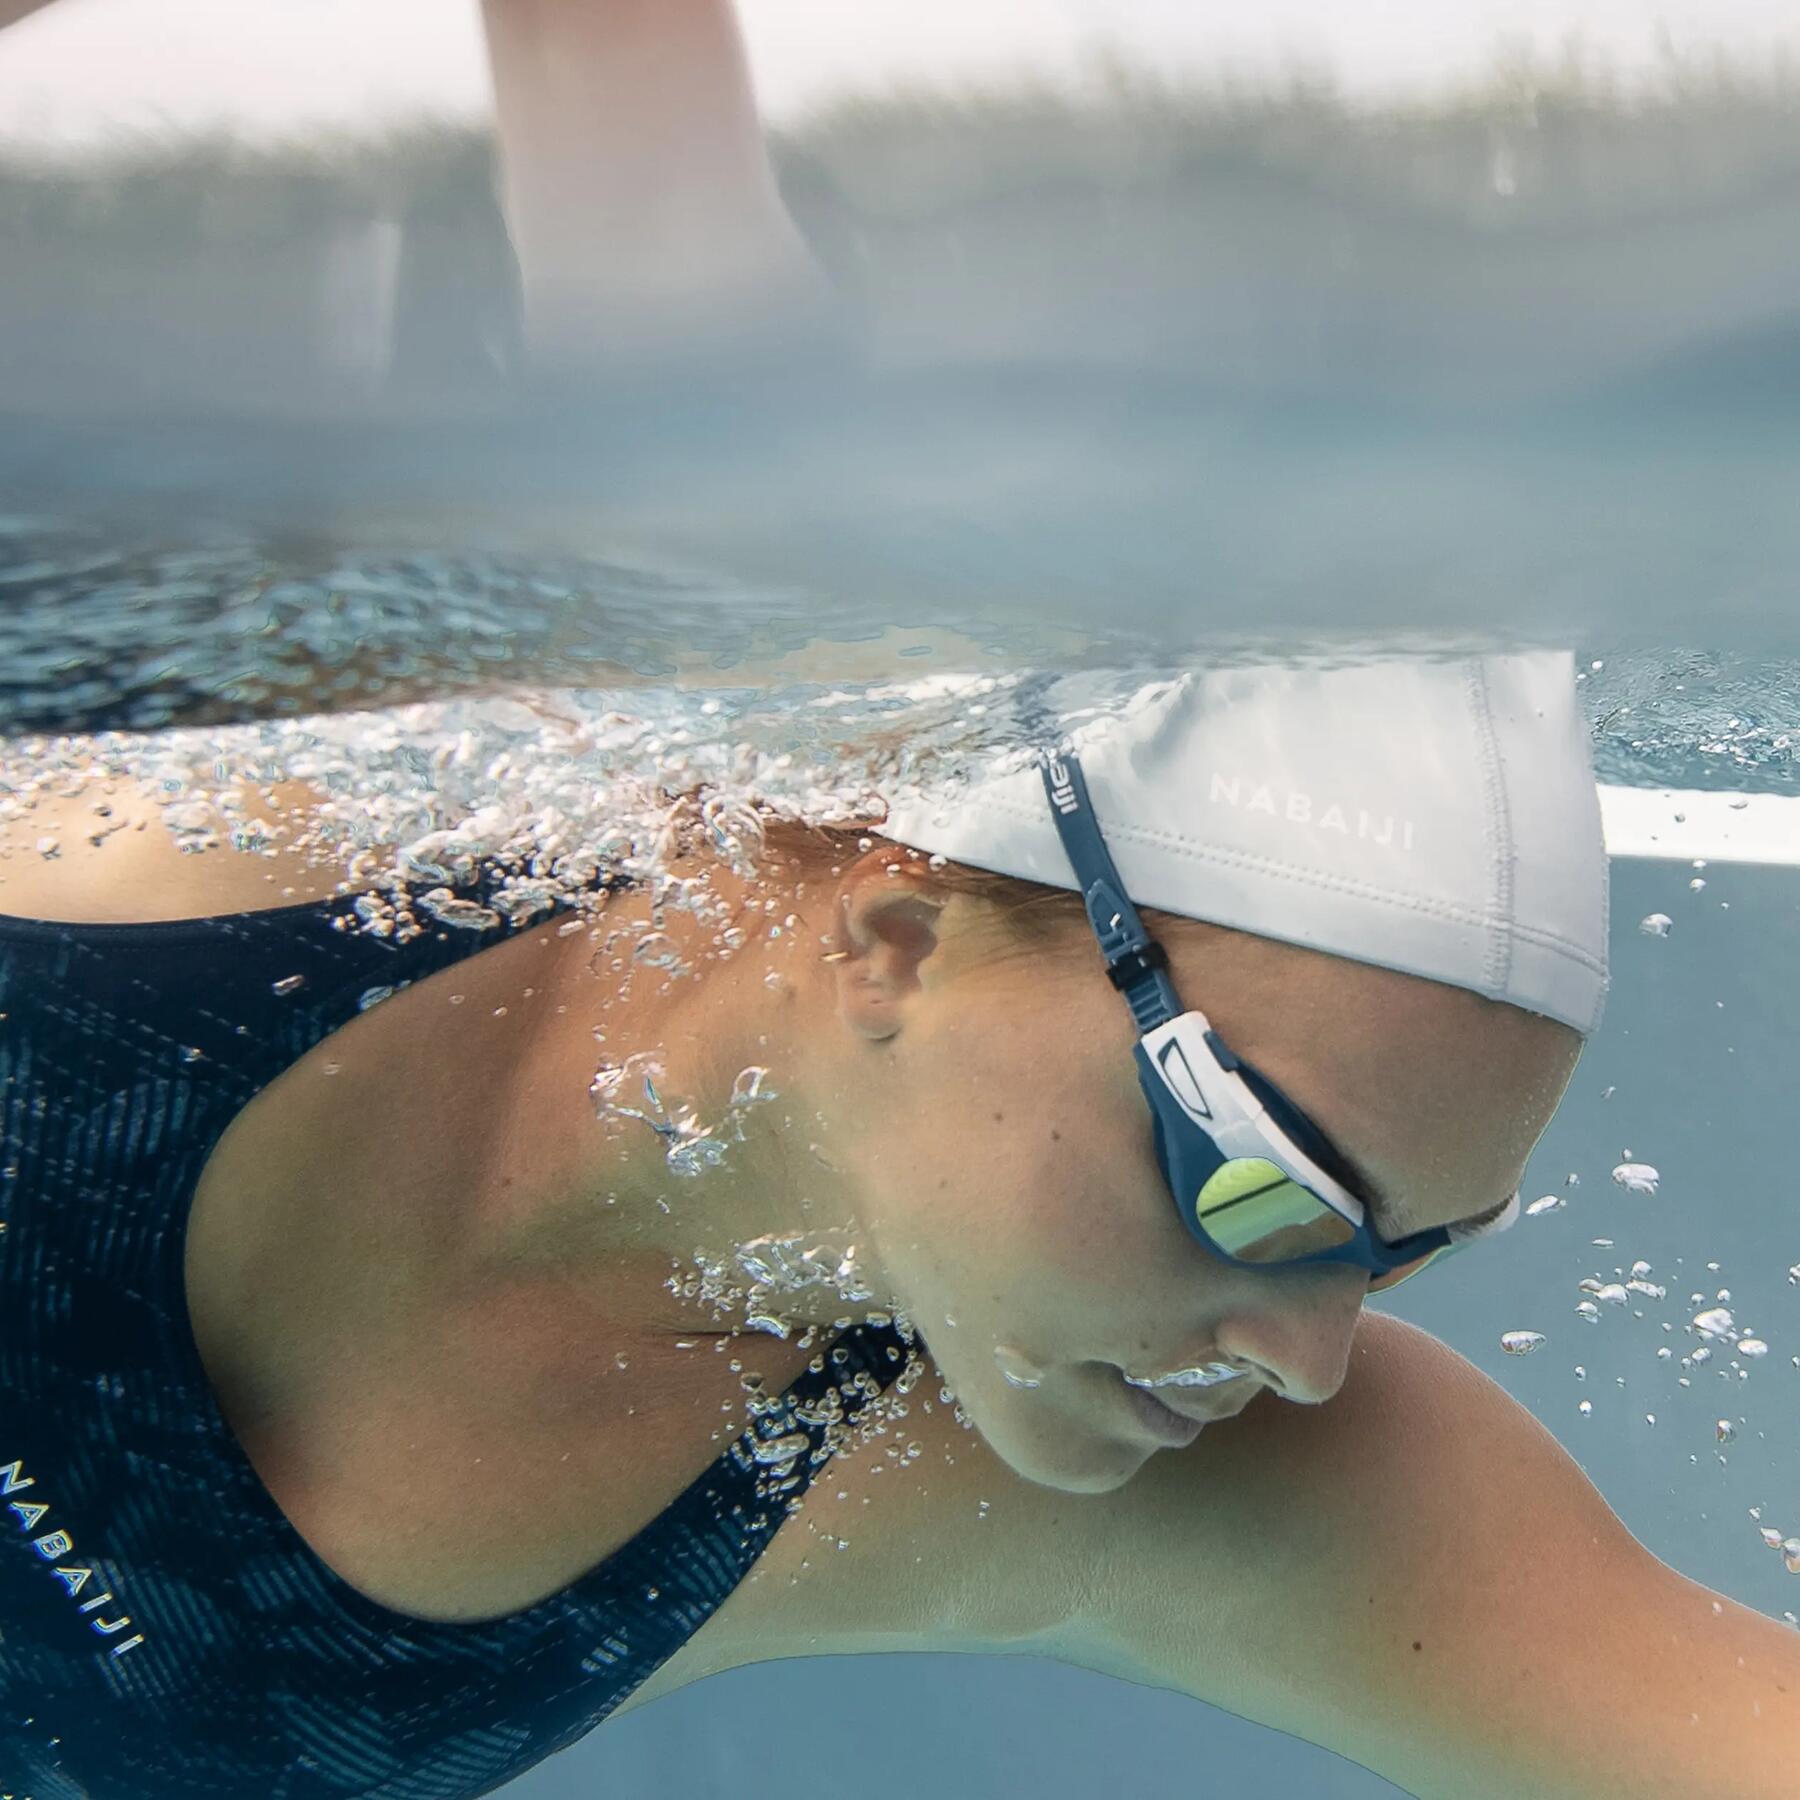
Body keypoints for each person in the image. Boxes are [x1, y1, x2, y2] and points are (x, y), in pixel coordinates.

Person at [1, 7, 1796, 1800]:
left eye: (1397, 1257)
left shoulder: (1094, 1473)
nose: (1311, 1362)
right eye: (1261, 1189)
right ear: (897, 940)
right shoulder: (249, 831)